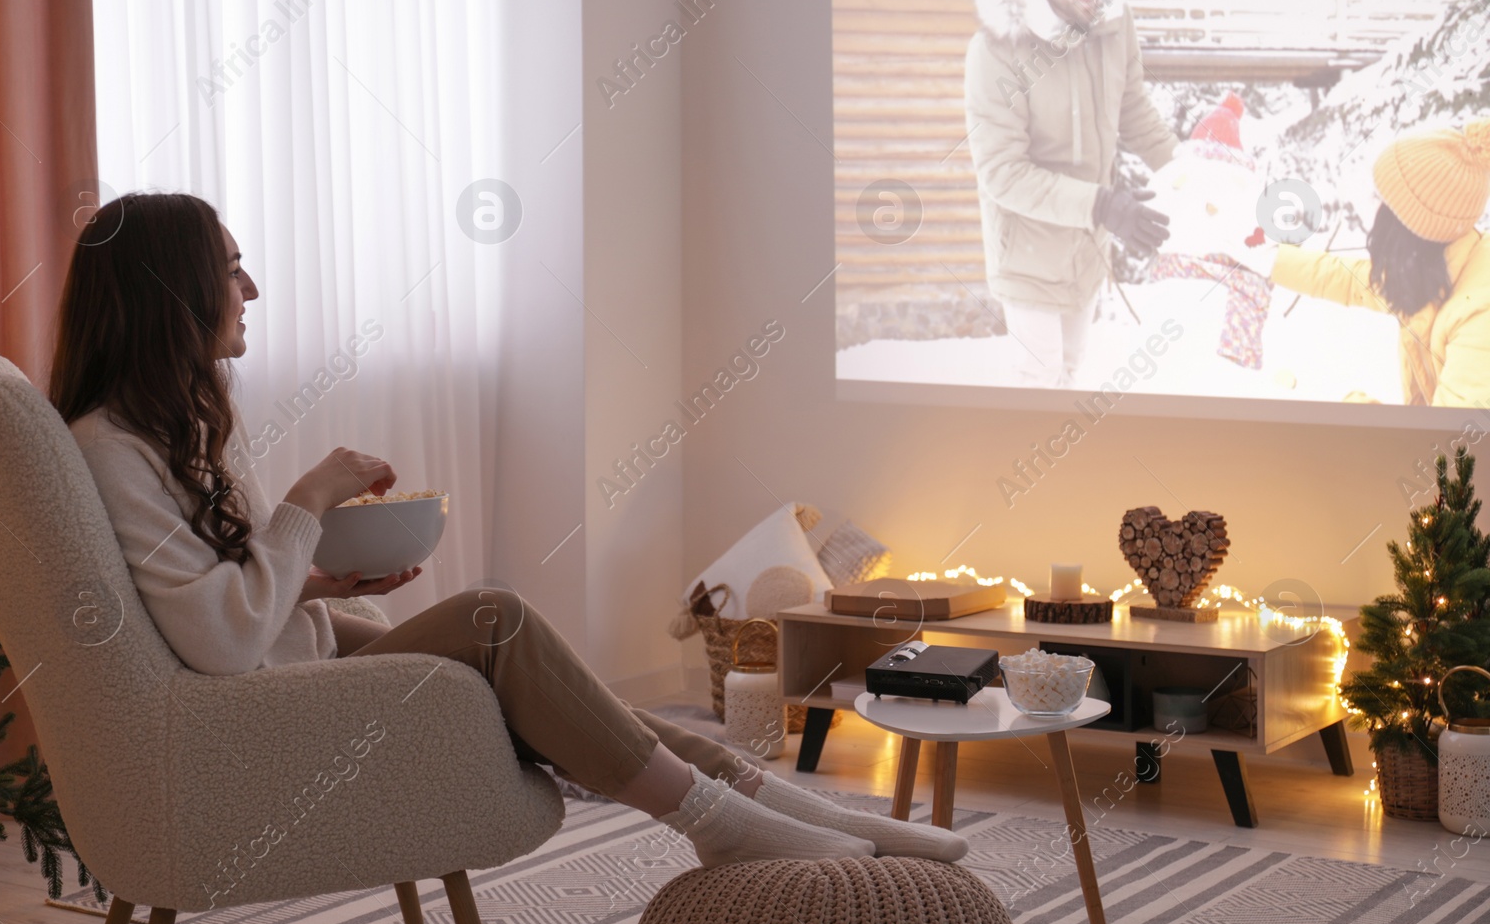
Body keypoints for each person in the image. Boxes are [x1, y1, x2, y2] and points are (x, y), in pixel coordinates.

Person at [48, 191, 969, 868]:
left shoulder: (175, 430)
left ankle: (788, 808)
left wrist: (319, 582)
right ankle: (725, 826)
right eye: (229, 266)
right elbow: (218, 636)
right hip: (253, 712)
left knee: (561, 679)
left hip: (287, 664)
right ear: (172, 291)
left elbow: (221, 599)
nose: (249, 285)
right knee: (495, 618)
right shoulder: (114, 447)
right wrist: (311, 499)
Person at [965, 0, 1180, 388]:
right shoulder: (997, 49)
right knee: (1039, 377)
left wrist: (1189, 174)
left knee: (1071, 370)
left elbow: (1134, 110)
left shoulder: (1112, 25)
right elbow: (1003, 173)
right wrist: (1102, 204)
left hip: (1086, 249)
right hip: (1027, 251)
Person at [1242, 118, 1490, 406]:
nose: (1375, 209)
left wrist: (1363, 418)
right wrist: (1268, 260)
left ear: (1411, 226)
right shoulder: (1437, 269)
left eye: (1384, 202)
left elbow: (1452, 446)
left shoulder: (1478, 318)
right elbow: (1350, 280)